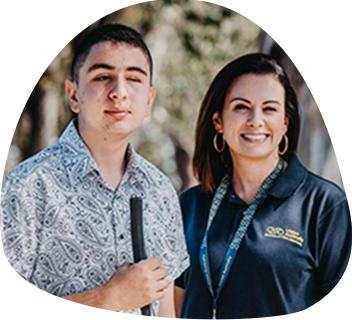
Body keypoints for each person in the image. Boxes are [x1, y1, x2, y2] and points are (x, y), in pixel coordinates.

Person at [0, 24, 189, 316]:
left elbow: (165, 307)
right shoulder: (27, 187)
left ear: (149, 100)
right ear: (73, 95)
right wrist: (108, 298)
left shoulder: (161, 190)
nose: (119, 92)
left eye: (134, 79)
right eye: (103, 77)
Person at [174, 53, 351, 319]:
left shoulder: (323, 204)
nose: (255, 120)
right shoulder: (190, 205)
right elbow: (175, 303)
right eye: (241, 107)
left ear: (285, 123)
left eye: (269, 108)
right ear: (218, 122)